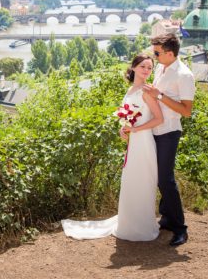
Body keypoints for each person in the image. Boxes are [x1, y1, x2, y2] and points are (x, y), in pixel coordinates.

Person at [62, 54, 163, 241]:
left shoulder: (148, 91)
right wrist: (123, 130)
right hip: (133, 143)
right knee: (130, 181)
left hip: (145, 143)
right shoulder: (131, 89)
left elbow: (159, 119)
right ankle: (130, 223)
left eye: (149, 67)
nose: (146, 71)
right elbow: (128, 118)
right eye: (143, 66)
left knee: (143, 181)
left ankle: (142, 226)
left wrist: (136, 128)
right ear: (133, 68)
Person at [142, 33, 195, 247]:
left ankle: (180, 228)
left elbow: (187, 111)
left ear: (170, 53)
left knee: (166, 179)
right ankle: (166, 217)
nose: (153, 56)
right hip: (154, 130)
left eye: (156, 53)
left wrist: (160, 96)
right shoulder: (160, 67)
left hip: (169, 131)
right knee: (158, 177)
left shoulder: (184, 75)